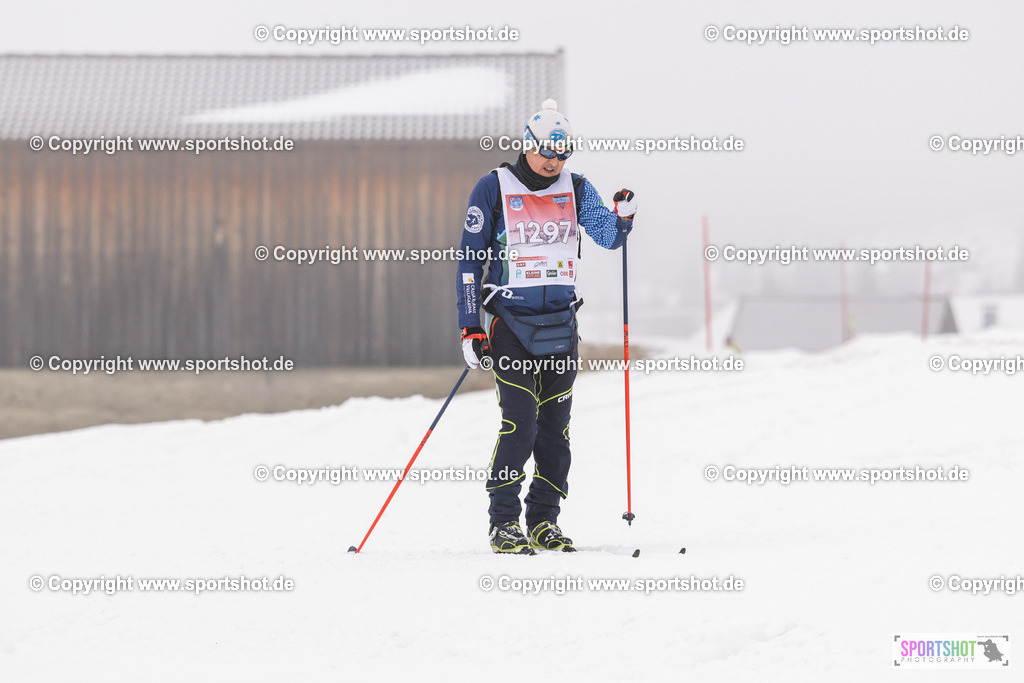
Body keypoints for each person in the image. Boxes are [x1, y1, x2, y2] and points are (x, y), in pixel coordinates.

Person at [456, 99, 637, 554]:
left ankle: (543, 520)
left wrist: (625, 218)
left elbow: (608, 237)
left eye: (563, 154)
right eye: (547, 152)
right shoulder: (492, 188)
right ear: (528, 144)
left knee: (556, 429)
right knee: (521, 422)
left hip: (559, 325)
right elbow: (467, 262)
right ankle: (503, 524)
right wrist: (469, 327)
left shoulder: (575, 188)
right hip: (510, 324)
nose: (554, 162)